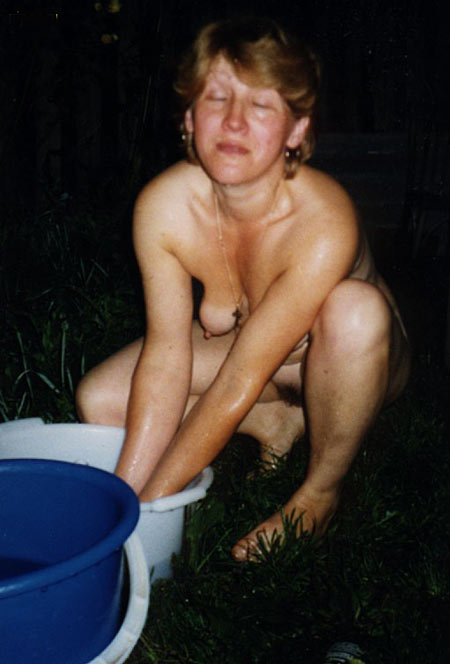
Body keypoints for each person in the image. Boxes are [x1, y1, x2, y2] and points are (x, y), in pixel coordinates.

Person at [76, 17, 410, 562]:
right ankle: (276, 420)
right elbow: (166, 358)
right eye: (217, 98)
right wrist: (125, 501)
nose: (234, 121)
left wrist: (151, 506)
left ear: (297, 130)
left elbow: (238, 379)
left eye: (260, 105)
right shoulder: (162, 207)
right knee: (101, 399)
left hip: (348, 358)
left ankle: (319, 495)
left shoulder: (323, 219)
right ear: (189, 118)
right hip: (254, 361)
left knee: (354, 308)